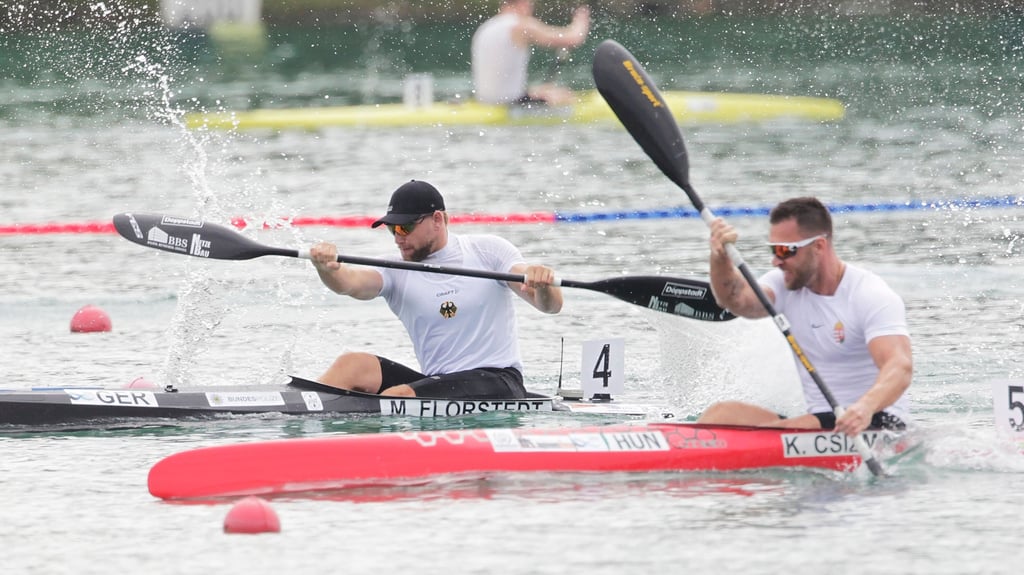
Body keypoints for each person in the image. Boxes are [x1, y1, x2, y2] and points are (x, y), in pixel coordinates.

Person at [308, 180, 563, 399]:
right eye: (391, 229)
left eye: (405, 227)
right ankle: (303, 411)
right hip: (438, 383)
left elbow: (550, 306)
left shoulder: (488, 251)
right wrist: (328, 268)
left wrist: (543, 285)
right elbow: (349, 283)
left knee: (400, 396)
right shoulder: (395, 270)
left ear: (438, 220)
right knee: (351, 365)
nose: (398, 238)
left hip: (500, 381)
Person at [697, 197, 913, 436]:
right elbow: (736, 300)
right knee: (722, 414)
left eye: (785, 251)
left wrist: (865, 407)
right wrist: (720, 257)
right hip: (820, 422)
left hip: (877, 422)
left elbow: (899, 366)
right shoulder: (783, 284)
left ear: (818, 246)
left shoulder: (869, 295)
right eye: (773, 250)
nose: (776, 261)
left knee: (780, 430)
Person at [471, 0, 590, 106]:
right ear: (523, 3)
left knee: (544, 91)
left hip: (484, 101)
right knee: (565, 95)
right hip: (511, 104)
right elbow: (573, 38)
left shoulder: (486, 27)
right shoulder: (521, 25)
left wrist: (536, 92)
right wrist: (581, 18)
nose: (531, 8)